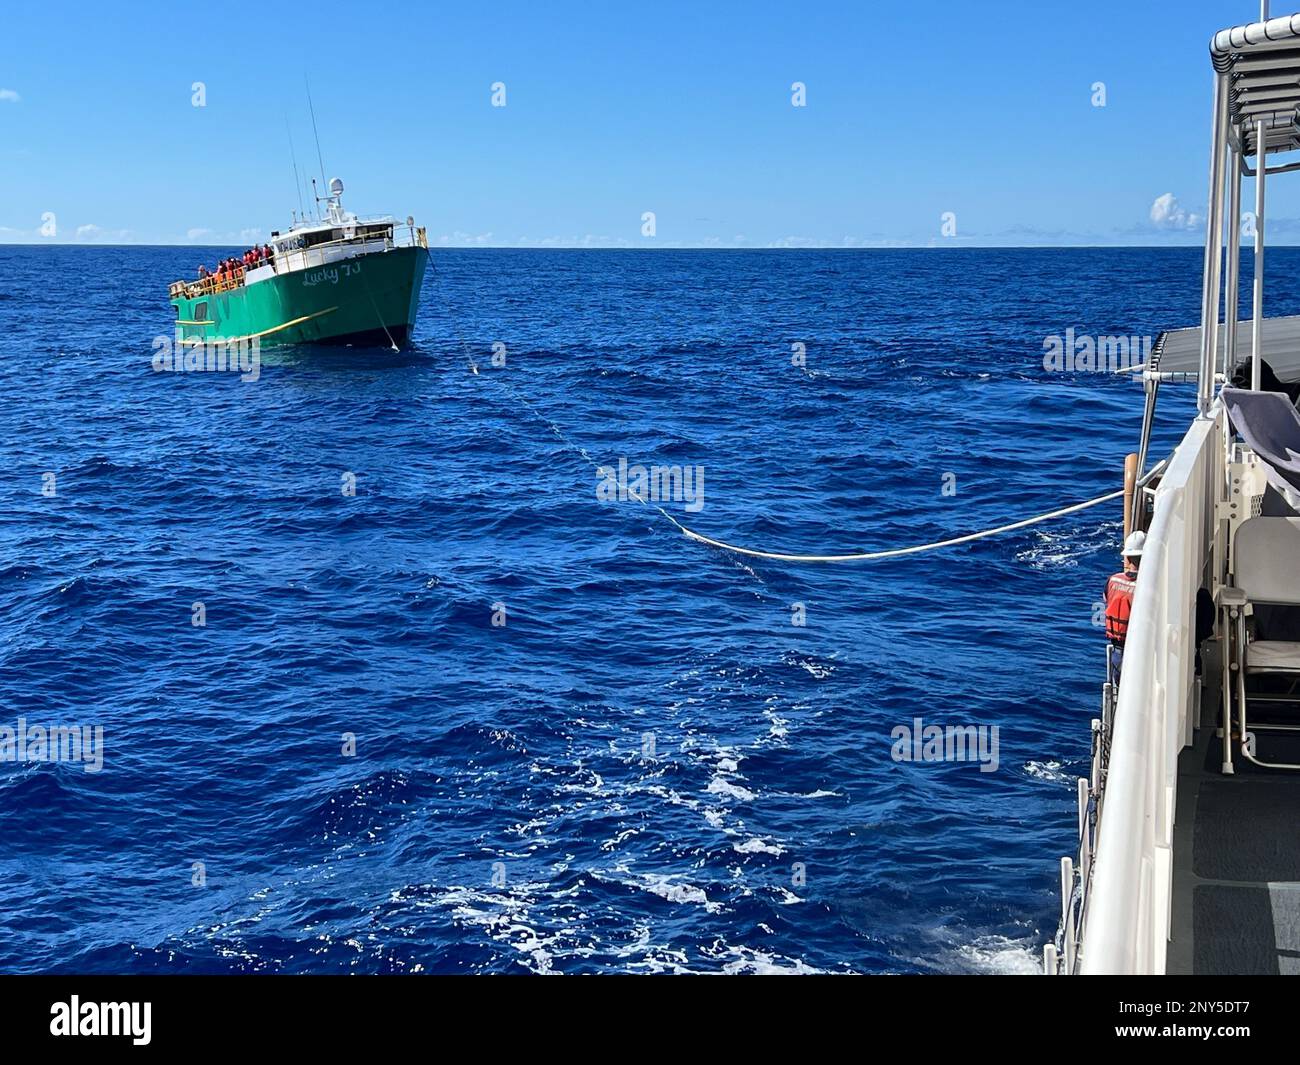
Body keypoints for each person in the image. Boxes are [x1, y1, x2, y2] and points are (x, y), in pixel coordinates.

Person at [1105, 531, 1145, 685]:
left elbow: (1106, 599)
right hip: (1140, 648)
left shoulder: (1112, 580)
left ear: (1127, 558)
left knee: (1120, 685)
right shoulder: (1147, 585)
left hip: (1118, 650)